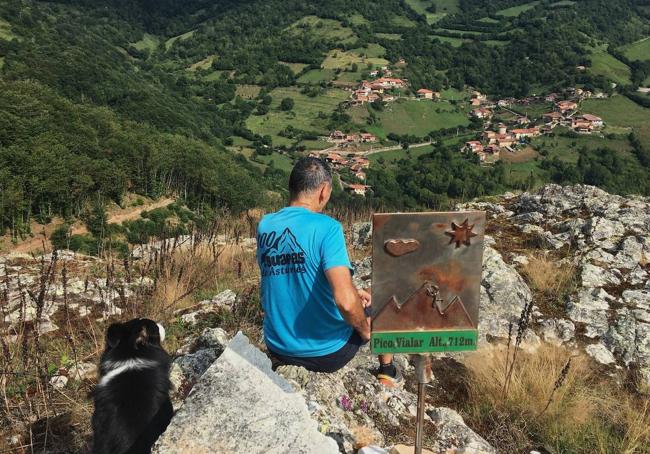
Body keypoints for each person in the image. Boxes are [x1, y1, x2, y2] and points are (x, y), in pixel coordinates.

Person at [256, 157, 400, 386]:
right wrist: (365, 331)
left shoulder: (265, 225)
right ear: (323, 191)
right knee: (385, 294)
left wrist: (353, 291)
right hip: (325, 354)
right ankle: (387, 371)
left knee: (358, 296)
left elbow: (297, 274)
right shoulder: (327, 228)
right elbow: (344, 301)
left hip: (279, 347)